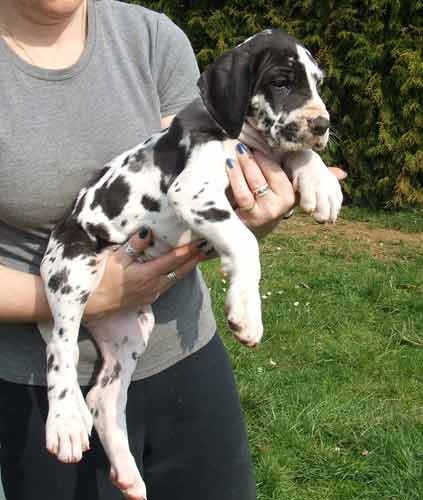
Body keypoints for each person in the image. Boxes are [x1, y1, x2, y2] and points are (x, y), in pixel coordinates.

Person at [0, 1, 344, 499]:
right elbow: (191, 191)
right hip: (55, 322)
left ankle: (112, 431)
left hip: (183, 352)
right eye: (285, 84)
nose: (317, 108)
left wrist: (296, 171)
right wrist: (102, 296)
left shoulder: (151, 37)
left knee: (129, 352)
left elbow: (231, 163)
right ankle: (65, 391)